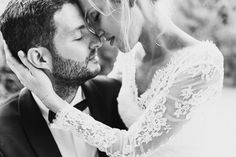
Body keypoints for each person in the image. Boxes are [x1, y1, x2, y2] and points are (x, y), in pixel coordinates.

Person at [5, 0, 224, 157]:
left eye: (96, 17)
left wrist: (50, 98)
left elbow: (132, 146)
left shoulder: (201, 64)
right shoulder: (128, 58)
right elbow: (102, 103)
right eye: (83, 31)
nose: (98, 35)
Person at [0, 0, 126, 157]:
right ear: (39, 58)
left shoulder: (119, 96)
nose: (97, 42)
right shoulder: (4, 135)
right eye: (79, 37)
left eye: (91, 29)